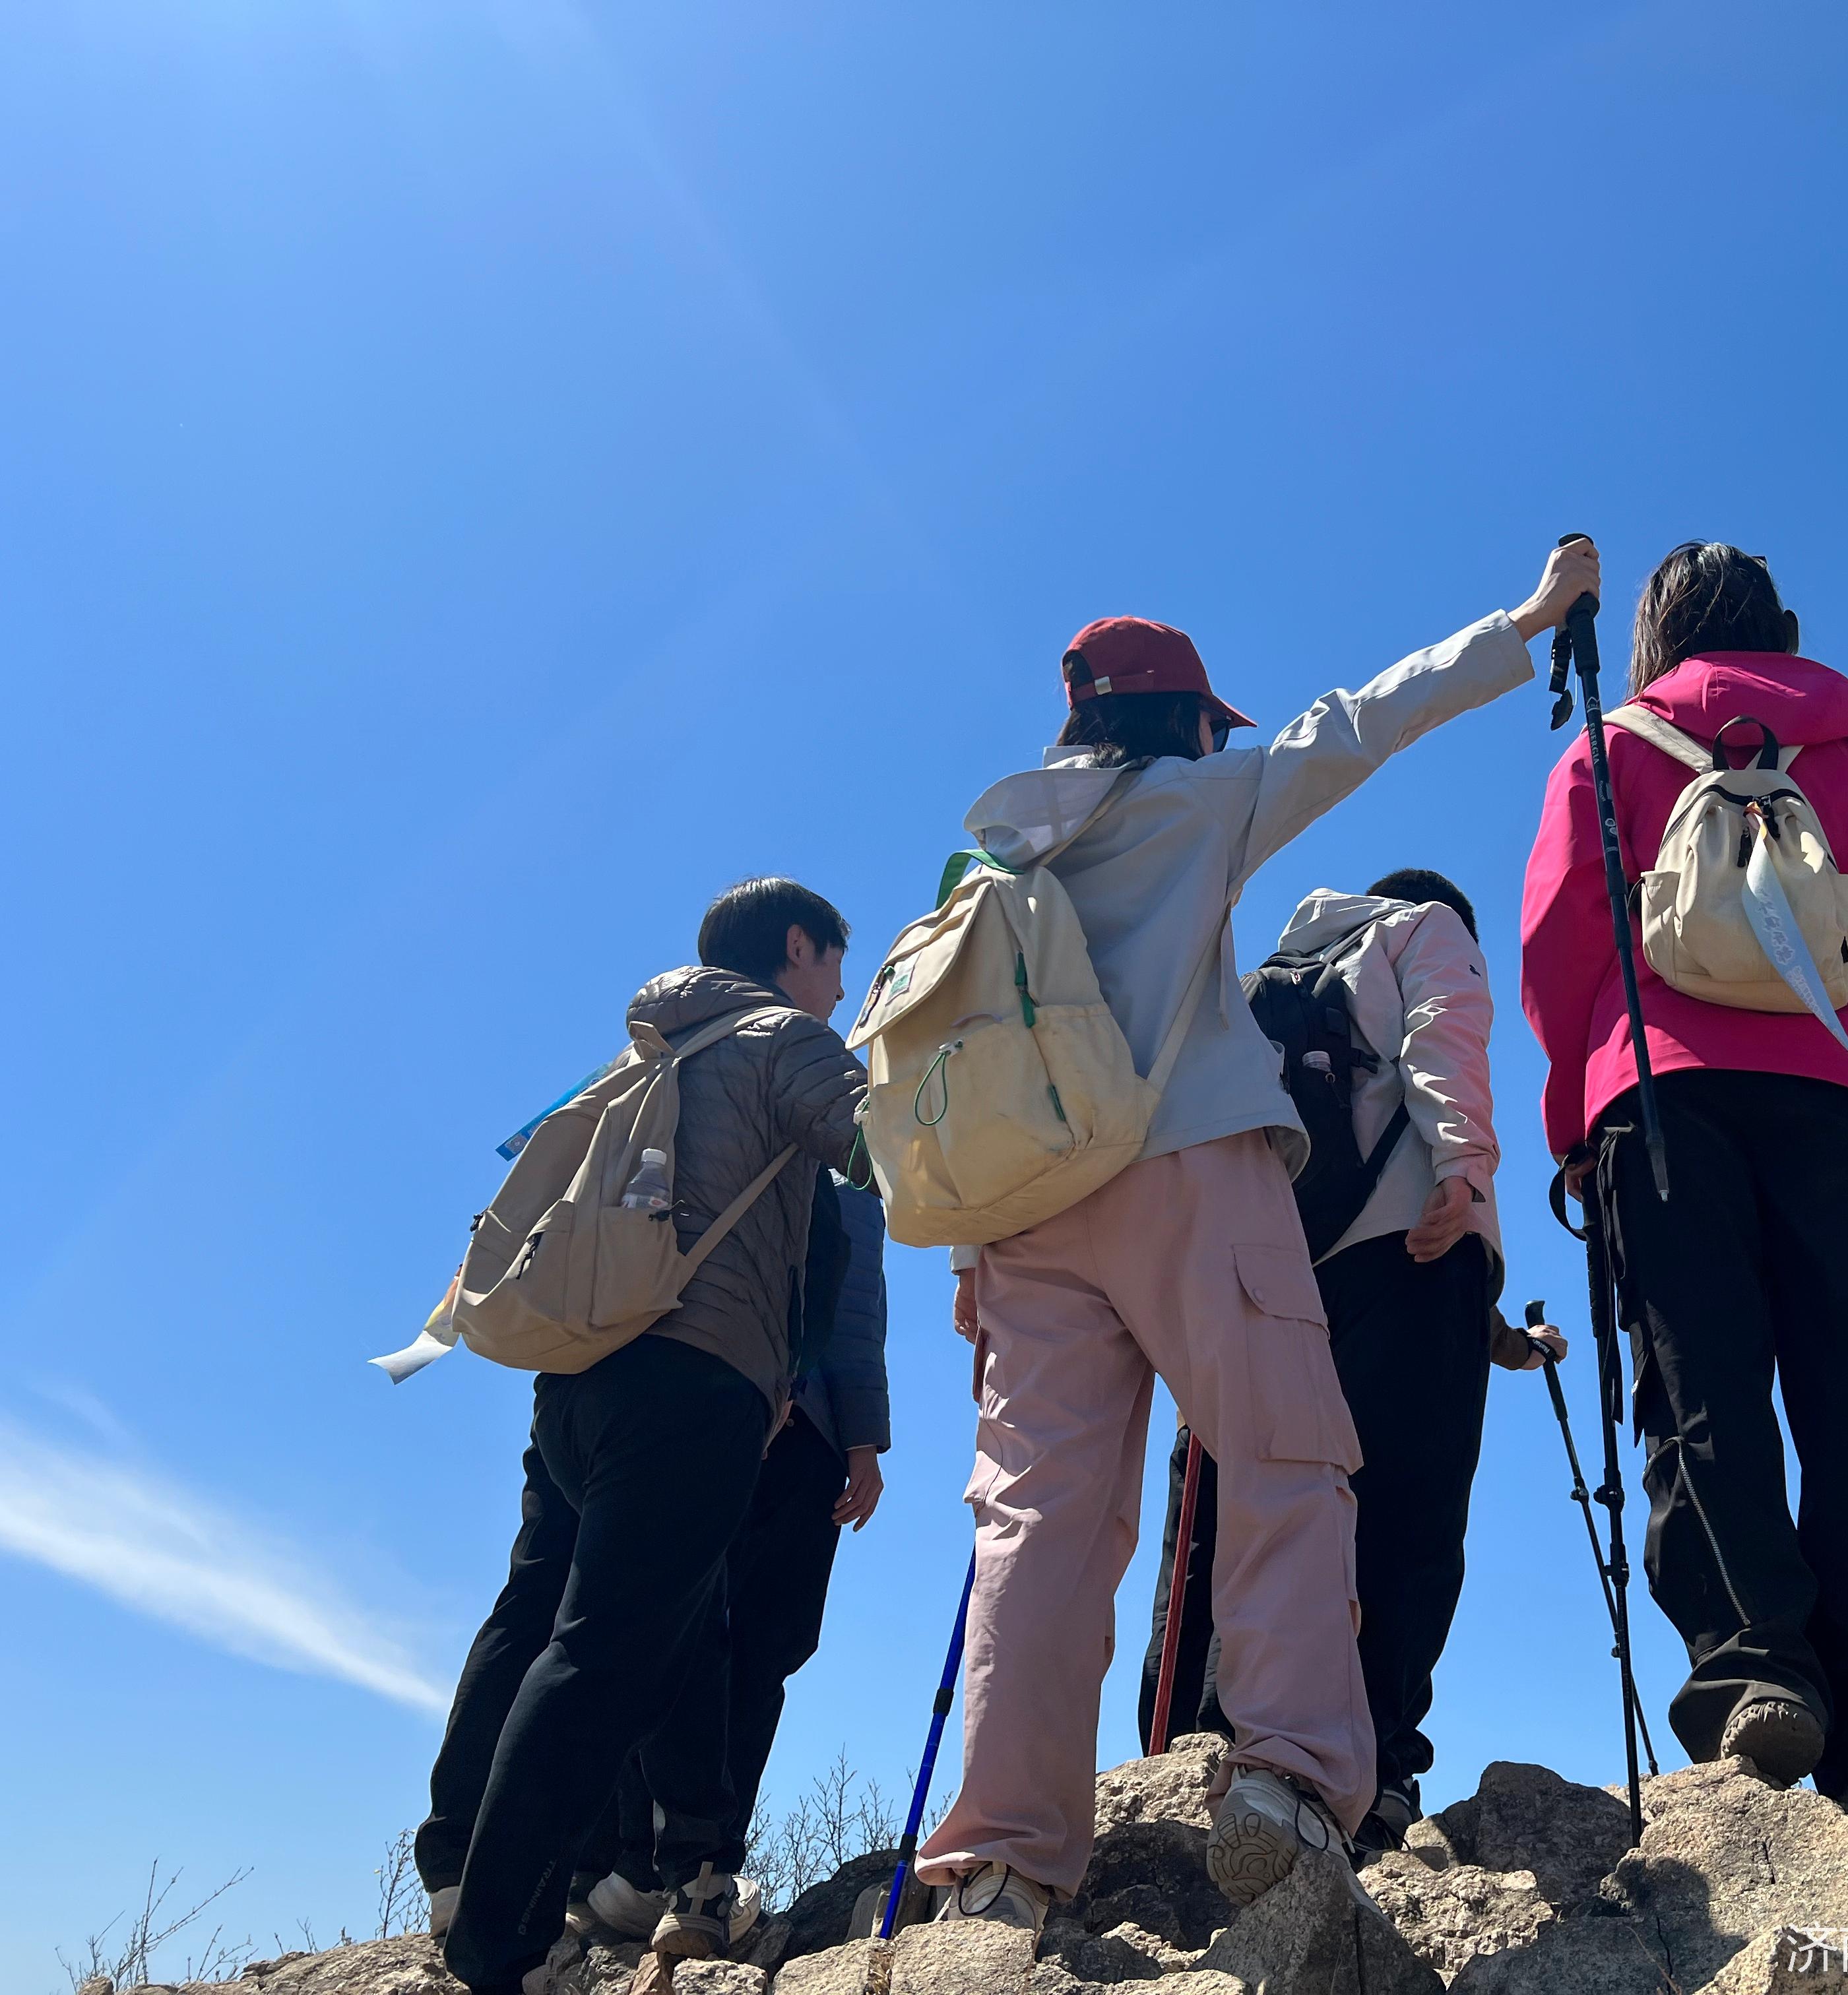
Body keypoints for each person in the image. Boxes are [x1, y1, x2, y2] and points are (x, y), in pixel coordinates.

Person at [916, 536, 1602, 1932]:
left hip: (1027, 1207)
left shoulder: (996, 851)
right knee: (1286, 1457)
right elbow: (1364, 719)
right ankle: (1285, 1775)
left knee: (1036, 1521)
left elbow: (960, 1057)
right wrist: (1527, 619)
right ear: (1184, 720)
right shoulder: (1197, 801)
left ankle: (999, 1862)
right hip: (1187, 1164)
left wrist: (970, 1250)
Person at [1519, 541, 1848, 1833]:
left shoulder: (1614, 742)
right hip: (1836, 1090)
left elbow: (1563, 939)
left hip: (1660, 1090)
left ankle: (1755, 1668)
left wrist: (1574, 1116)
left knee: (1699, 1380)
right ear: (1784, 626)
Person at [426, 878, 870, 1995]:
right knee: (608, 1654)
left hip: (576, 1378)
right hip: (696, 1378)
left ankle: (482, 1871)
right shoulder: (784, 1038)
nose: (841, 986)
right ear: (798, 947)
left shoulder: (642, 1052)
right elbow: (888, 1151)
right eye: (835, 961)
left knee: (561, 1621)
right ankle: (504, 1945)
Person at [1133, 868, 1568, 1852]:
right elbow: (1447, 1032)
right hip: (1410, 1251)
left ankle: (1193, 1752)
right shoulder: (1427, 929)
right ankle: (1368, 1767)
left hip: (1266, 1270)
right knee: (1403, 1515)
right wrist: (1463, 1166)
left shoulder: (1279, 971)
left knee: (1239, 1514)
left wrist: (1505, 1344)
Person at [575, 1167, 891, 1944]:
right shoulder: (844, 1166)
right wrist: (858, 1437)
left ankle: (658, 1868)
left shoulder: (701, 1130)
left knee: (702, 1639)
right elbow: (852, 1305)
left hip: (720, 1410)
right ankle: (677, 1871)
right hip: (777, 1422)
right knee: (740, 1651)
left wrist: (860, 1436)